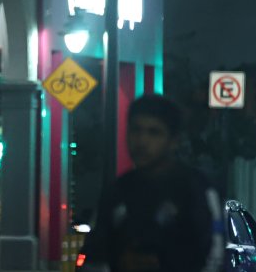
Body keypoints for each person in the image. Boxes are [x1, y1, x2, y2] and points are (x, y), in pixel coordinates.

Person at [78, 94, 224, 272]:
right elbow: (95, 254)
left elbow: (212, 256)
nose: (142, 141)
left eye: (154, 132)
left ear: (173, 141)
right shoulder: (118, 191)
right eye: (135, 130)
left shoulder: (195, 188)